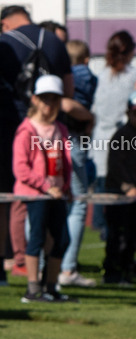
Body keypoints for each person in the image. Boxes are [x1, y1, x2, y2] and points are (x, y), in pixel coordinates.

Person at [0, 4, 77, 283]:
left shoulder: (4, 41)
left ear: (4, 23)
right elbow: (69, 91)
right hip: (42, 133)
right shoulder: (54, 40)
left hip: (8, 126)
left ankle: (16, 265)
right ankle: (35, 277)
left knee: (10, 202)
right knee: (42, 219)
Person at [13, 75, 73, 302]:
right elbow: (21, 169)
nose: (50, 105)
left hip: (57, 195)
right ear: (35, 100)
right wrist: (46, 187)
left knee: (61, 239)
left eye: (55, 100)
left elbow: (65, 163)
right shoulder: (26, 130)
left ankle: (50, 287)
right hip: (36, 195)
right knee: (37, 238)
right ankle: (32, 288)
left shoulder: (60, 129)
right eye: (45, 99)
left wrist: (65, 187)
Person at [89, 30, 136, 243]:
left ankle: (104, 229)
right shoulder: (134, 76)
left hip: (101, 138)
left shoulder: (100, 75)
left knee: (103, 187)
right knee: (121, 190)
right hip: (122, 139)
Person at [103, 90, 136, 286]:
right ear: (128, 113)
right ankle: (112, 273)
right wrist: (127, 187)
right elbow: (115, 166)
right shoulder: (122, 135)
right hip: (119, 195)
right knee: (118, 235)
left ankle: (125, 271)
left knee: (132, 233)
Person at [60, 38, 98, 288]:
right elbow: (72, 103)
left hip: (58, 138)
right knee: (78, 202)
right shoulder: (86, 75)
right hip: (75, 139)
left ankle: (48, 264)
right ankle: (67, 267)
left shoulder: (60, 73)